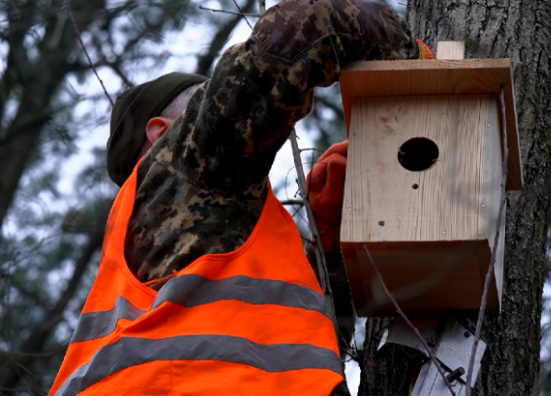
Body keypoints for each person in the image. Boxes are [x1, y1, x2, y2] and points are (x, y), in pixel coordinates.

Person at [49, 0, 434, 394]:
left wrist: (329, 249)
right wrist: (416, 63)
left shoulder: (160, 245)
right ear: (161, 133)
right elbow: (304, 27)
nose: (216, 107)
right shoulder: (183, 166)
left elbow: (291, 352)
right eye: (204, 100)